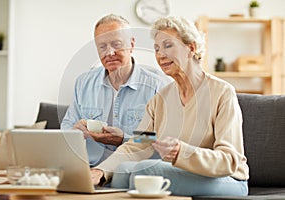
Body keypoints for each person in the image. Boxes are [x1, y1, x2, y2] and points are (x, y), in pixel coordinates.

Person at [90, 16, 249, 196]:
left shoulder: (222, 93)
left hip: (227, 180)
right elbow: (137, 145)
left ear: (191, 48)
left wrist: (183, 151)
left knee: (144, 171)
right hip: (183, 175)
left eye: (168, 45)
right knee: (122, 171)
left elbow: (229, 159)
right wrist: (101, 171)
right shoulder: (160, 101)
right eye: (156, 49)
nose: (160, 55)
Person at [61, 14, 169, 167]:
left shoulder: (159, 85)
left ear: (131, 44)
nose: (109, 53)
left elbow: (162, 139)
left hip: (134, 171)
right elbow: (65, 129)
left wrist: (124, 138)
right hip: (89, 169)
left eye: (116, 44)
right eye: (102, 47)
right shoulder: (83, 83)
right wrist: (75, 131)